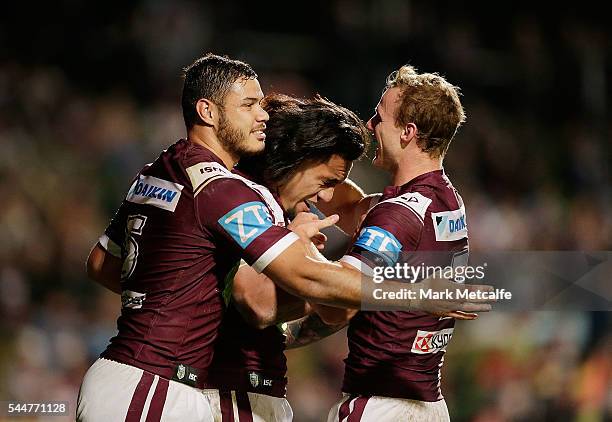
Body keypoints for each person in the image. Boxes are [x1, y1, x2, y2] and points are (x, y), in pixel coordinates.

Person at [77, 54, 490, 422]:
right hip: (187, 385)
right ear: (207, 110)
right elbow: (268, 298)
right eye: (249, 105)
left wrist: (186, 294)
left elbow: (101, 263)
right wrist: (414, 293)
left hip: (180, 380)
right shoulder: (231, 193)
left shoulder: (163, 168)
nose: (262, 115)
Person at [309, 65, 471, 421]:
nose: (370, 125)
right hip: (428, 404)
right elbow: (352, 208)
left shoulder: (398, 214)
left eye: (379, 117)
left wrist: (294, 251)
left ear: (407, 133)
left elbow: (337, 299)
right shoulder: (447, 201)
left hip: (380, 405)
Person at [205, 93, 369, 422]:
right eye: (325, 182)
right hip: (222, 396)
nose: (325, 196)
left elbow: (360, 207)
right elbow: (258, 304)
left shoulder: (279, 205)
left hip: (253, 391)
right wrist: (333, 283)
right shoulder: (241, 199)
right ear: (296, 158)